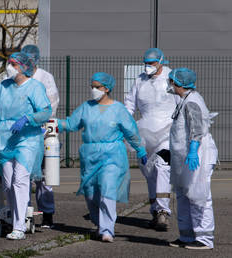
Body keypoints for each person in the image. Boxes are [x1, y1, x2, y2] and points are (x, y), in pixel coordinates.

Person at [57, 72, 147, 243]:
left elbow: (131, 131)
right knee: (91, 193)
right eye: (92, 86)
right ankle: (99, 223)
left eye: (97, 87)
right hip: (89, 156)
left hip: (112, 155)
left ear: (107, 88)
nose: (93, 90)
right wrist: (51, 124)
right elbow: (70, 123)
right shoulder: (86, 107)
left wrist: (140, 149)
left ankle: (107, 229)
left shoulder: (118, 109)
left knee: (107, 189)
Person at [0, 52, 52, 240]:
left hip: (27, 139)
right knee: (8, 183)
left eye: (13, 64)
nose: (9, 67)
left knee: (20, 180)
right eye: (8, 63)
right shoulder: (3, 86)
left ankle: (19, 226)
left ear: (24, 67)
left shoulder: (35, 87)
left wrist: (28, 118)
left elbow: (45, 111)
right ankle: (12, 218)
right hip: (4, 139)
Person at [124, 48, 177, 231]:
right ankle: (155, 211)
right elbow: (130, 104)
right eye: (146, 63)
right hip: (145, 131)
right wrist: (126, 124)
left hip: (167, 131)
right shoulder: (140, 80)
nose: (149, 67)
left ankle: (163, 211)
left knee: (162, 166)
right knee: (149, 171)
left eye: (152, 63)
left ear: (161, 61)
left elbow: (181, 101)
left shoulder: (172, 78)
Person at [167, 68, 218, 250]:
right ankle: (187, 235)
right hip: (185, 157)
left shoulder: (192, 102)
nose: (169, 84)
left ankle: (204, 238)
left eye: (171, 81)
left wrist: (193, 150)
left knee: (198, 195)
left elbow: (197, 127)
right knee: (183, 195)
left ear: (178, 83)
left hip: (197, 156)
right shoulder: (184, 100)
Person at [21, 44, 59, 228]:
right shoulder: (16, 76)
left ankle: (47, 213)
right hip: (24, 131)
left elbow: (52, 103)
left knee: (45, 175)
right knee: (22, 174)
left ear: (36, 60)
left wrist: (39, 120)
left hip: (43, 129)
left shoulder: (46, 77)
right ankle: (24, 213)